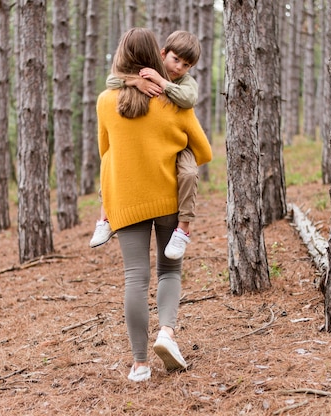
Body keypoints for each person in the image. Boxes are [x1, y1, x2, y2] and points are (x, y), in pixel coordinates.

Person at [96, 27, 212, 382]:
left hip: (126, 201)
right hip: (168, 199)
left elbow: (105, 154)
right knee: (169, 270)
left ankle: (140, 364)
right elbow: (204, 150)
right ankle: (166, 333)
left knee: (135, 278)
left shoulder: (104, 101)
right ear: (157, 56)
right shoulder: (172, 102)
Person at [90, 30, 202, 260]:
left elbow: (188, 100)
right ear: (162, 54)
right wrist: (136, 81)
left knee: (189, 174)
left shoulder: (185, 82)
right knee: (110, 161)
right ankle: (105, 217)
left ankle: (183, 228)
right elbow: (112, 81)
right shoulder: (147, 74)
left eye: (186, 65)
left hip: (181, 148)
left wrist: (162, 83)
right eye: (176, 60)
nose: (179, 67)